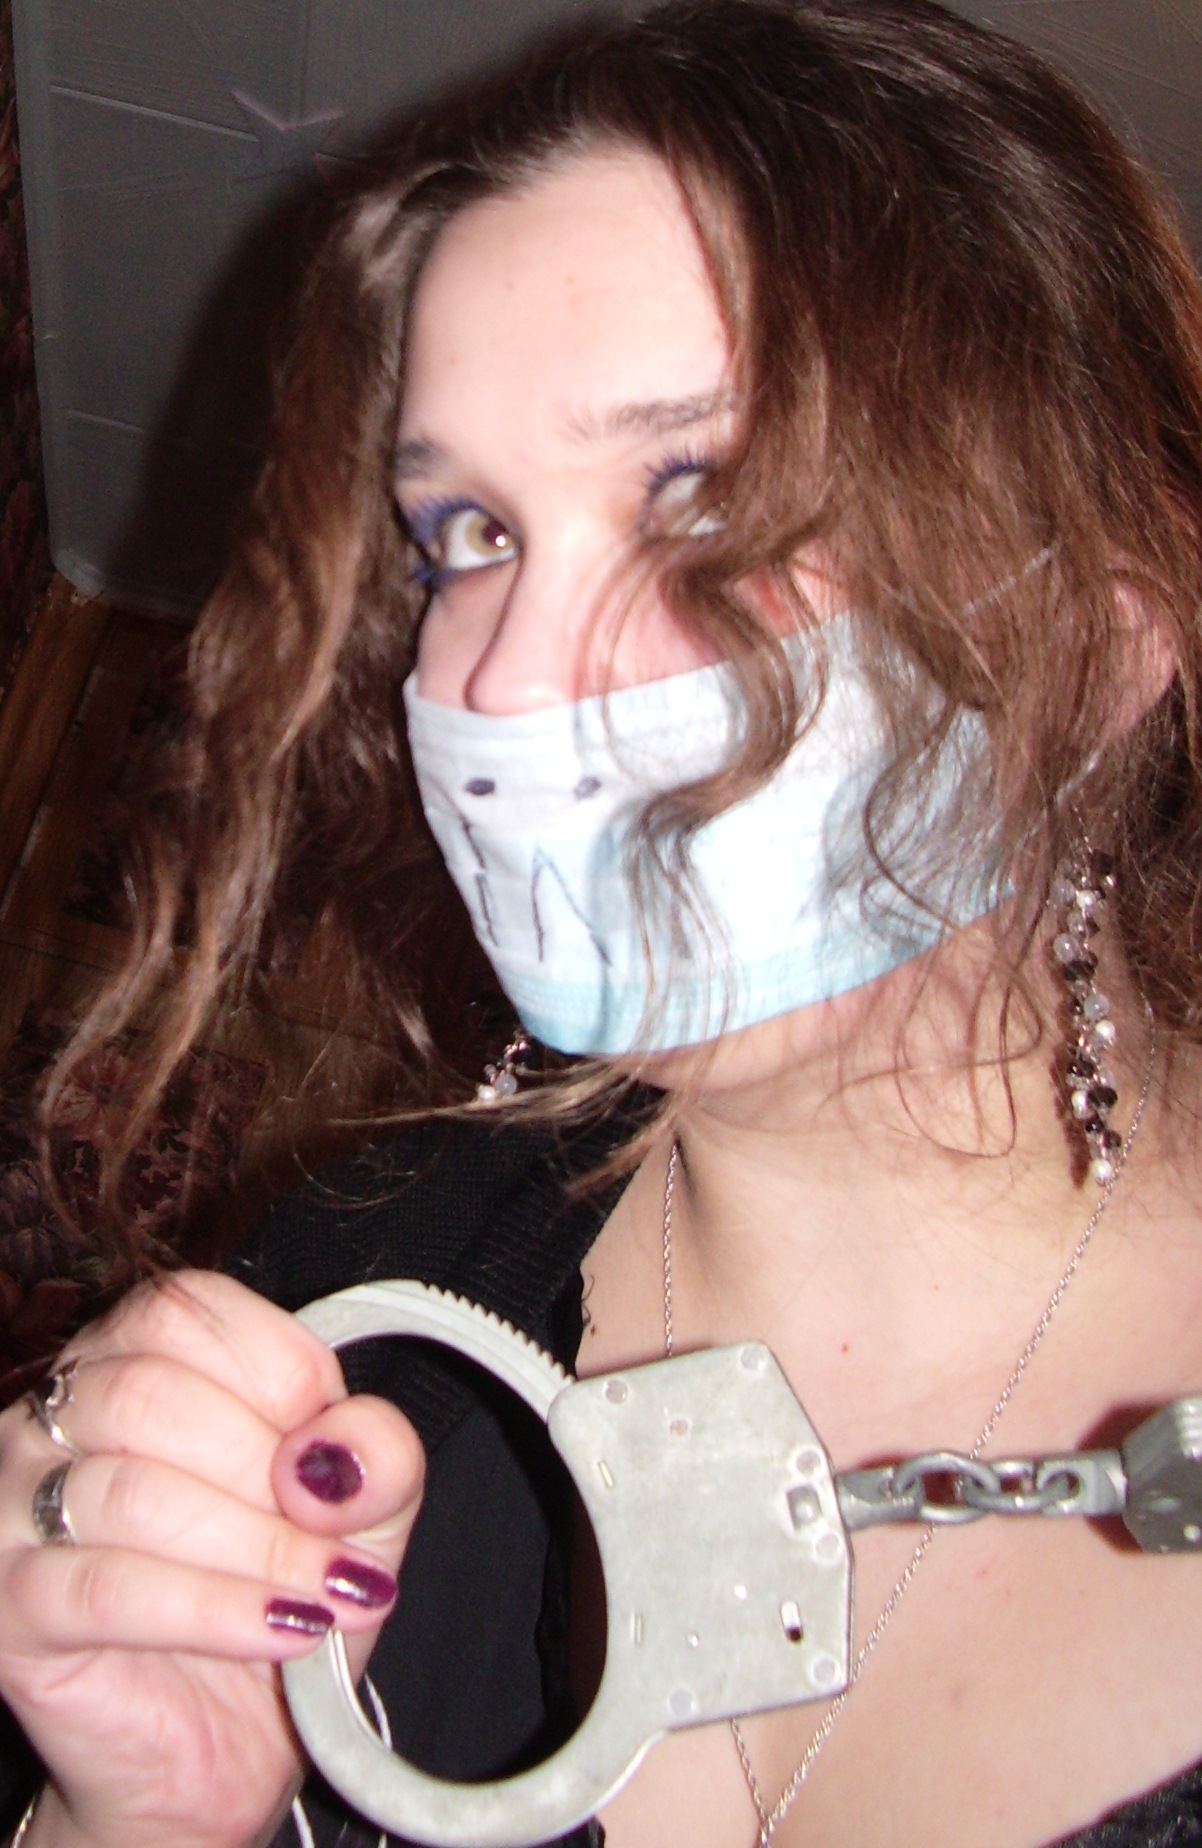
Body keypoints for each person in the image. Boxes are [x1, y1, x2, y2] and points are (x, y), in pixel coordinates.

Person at [3, 0, 1202, 1842]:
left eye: (702, 498)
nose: (503, 679)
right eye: (469, 536)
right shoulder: (361, 1298)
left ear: (1101, 652)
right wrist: (140, 1824)